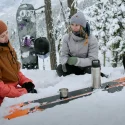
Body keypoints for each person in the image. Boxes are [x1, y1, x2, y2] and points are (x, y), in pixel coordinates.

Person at [0, 20, 37, 105]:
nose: (6, 37)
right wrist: (22, 92)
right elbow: (1, 88)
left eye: (6, 33)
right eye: (2, 36)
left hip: (12, 90)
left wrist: (25, 82)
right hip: (4, 99)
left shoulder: (8, 48)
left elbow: (14, 71)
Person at [56, 12, 98, 77]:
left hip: (87, 67)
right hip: (74, 67)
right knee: (60, 69)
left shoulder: (92, 39)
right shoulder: (67, 38)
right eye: (72, 24)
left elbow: (93, 59)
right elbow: (63, 55)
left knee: (92, 71)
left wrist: (77, 61)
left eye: (76, 25)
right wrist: (65, 61)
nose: (74, 27)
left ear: (82, 26)